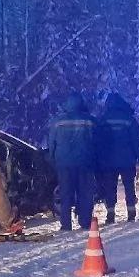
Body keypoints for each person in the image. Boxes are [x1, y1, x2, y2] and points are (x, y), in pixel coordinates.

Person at [48, 92, 97, 231]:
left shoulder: (57, 121)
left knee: (65, 194)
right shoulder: (89, 120)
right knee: (85, 193)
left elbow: (52, 142)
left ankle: (66, 224)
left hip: (64, 163)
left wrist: (52, 158)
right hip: (85, 162)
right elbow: (96, 141)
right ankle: (85, 221)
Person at [95, 92, 139, 224]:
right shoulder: (128, 118)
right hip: (127, 159)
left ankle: (110, 213)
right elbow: (135, 139)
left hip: (108, 160)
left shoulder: (103, 119)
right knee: (129, 186)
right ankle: (131, 212)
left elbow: (98, 140)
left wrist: (99, 157)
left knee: (110, 187)